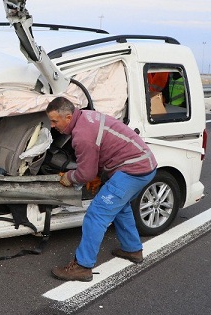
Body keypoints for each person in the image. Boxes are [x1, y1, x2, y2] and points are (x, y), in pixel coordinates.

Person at [46, 97, 157, 282]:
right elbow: (99, 154)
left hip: (132, 170)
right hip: (145, 165)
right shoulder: (86, 116)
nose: (51, 125)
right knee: (121, 207)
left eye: (54, 121)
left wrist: (70, 177)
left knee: (96, 214)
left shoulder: (81, 135)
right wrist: (96, 174)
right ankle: (132, 249)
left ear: (67, 117)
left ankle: (82, 266)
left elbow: (86, 173)